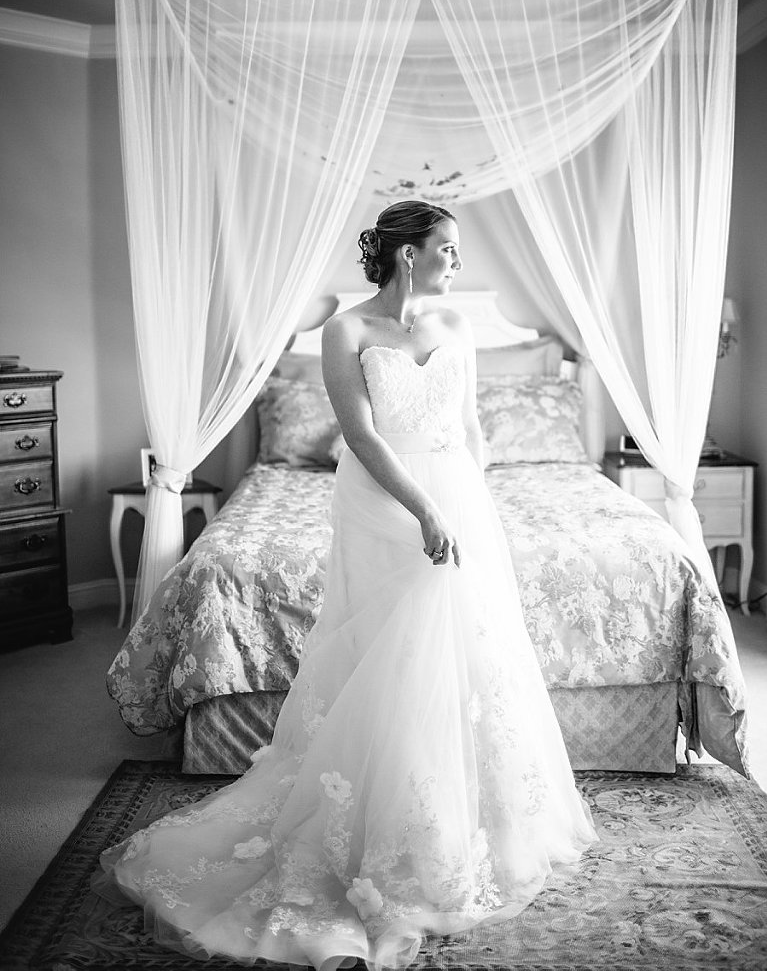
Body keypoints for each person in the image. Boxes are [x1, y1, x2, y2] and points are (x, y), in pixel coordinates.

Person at [94, 200, 597, 969]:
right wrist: (425, 510)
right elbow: (360, 435)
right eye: (448, 249)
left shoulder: (457, 326)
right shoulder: (346, 330)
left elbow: (469, 428)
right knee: (389, 649)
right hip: (381, 502)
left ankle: (454, 814)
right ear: (408, 254)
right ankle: (376, 811)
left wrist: (473, 506)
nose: (457, 262)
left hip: (458, 493)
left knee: (468, 646)